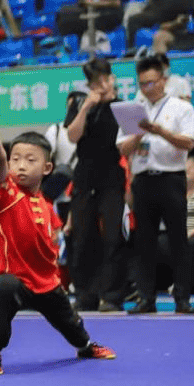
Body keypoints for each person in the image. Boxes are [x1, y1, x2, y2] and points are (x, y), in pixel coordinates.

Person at [0, 85, 117, 375]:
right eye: (16, 159)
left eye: (30, 160)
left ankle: (85, 346)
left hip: (46, 283)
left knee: (72, 324)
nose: (20, 166)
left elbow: (50, 239)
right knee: (2, 287)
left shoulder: (45, 204)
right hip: (15, 280)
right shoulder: (7, 194)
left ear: (47, 167)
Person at [117, 56, 194, 315]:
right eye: (142, 84)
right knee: (144, 241)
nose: (146, 88)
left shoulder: (181, 108)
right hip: (143, 179)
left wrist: (160, 131)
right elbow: (123, 148)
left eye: (151, 83)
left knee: (178, 240)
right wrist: (139, 133)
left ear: (163, 80)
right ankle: (146, 298)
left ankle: (182, 299)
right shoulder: (133, 110)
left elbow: (189, 142)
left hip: (171, 178)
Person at [63, 57, 126, 313]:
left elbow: (130, 144)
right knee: (83, 237)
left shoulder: (123, 107)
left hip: (112, 176)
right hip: (84, 177)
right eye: (93, 82)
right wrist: (87, 106)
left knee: (113, 237)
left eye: (103, 79)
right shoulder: (80, 104)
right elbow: (72, 135)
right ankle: (85, 295)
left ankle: (112, 296)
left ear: (111, 79)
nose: (99, 85)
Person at [164, 151, 194, 295]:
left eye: (188, 169)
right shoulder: (176, 189)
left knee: (191, 244)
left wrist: (191, 233)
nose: (185, 172)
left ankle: (185, 286)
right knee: (158, 243)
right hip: (178, 232)